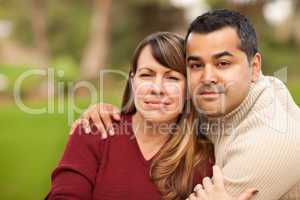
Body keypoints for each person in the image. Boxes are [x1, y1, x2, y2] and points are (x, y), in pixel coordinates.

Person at [76, 10, 300, 200]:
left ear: (254, 66)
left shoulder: (270, 143)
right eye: (196, 65)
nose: (207, 77)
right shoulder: (220, 102)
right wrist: (106, 112)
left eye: (223, 63)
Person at [46, 32, 256, 200]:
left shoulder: (205, 157)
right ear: (132, 80)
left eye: (172, 78)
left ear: (188, 89)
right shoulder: (95, 131)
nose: (157, 88)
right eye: (146, 75)